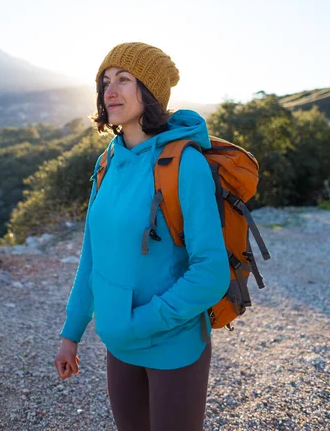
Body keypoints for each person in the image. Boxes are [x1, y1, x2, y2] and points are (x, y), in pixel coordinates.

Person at [54, 42, 230, 431]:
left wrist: (140, 322)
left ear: (149, 92)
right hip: (120, 347)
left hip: (174, 346)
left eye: (124, 80)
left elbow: (211, 272)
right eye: (105, 81)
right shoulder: (107, 162)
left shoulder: (184, 163)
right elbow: (92, 256)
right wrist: (72, 333)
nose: (110, 91)